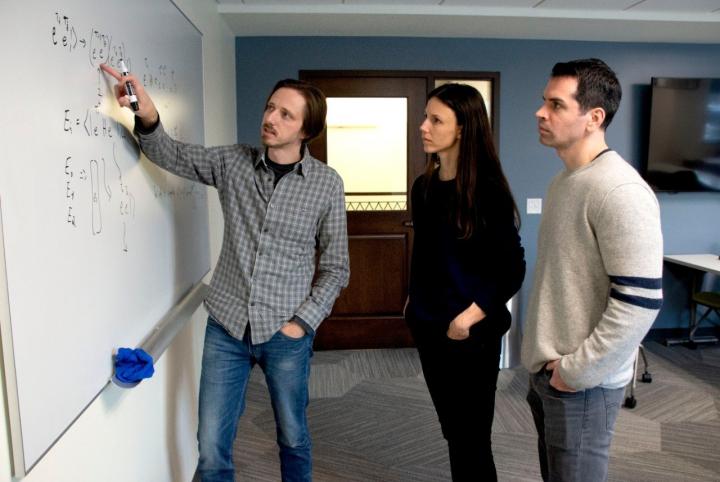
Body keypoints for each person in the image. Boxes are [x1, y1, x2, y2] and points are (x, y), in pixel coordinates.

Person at [101, 64, 350, 482]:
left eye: (286, 114)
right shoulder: (234, 162)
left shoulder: (326, 184)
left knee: (293, 437)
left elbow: (336, 266)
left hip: (286, 333)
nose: (270, 118)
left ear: (308, 130)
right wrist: (146, 114)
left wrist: (302, 323)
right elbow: (169, 153)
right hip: (227, 327)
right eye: (271, 107)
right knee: (213, 445)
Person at [521, 58, 663, 482]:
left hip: (582, 385)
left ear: (593, 118)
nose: (540, 113)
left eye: (556, 105)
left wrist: (575, 371)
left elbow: (640, 302)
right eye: (543, 102)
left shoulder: (619, 189)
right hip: (551, 373)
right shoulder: (565, 181)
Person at [405, 83, 526, 481]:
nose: (423, 126)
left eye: (435, 119)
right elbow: (426, 256)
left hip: (471, 335)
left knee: (472, 438)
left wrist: (468, 318)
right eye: (426, 116)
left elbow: (512, 268)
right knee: (454, 432)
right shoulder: (423, 188)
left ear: (462, 129)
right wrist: (413, 303)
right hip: (429, 328)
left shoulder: (487, 192)